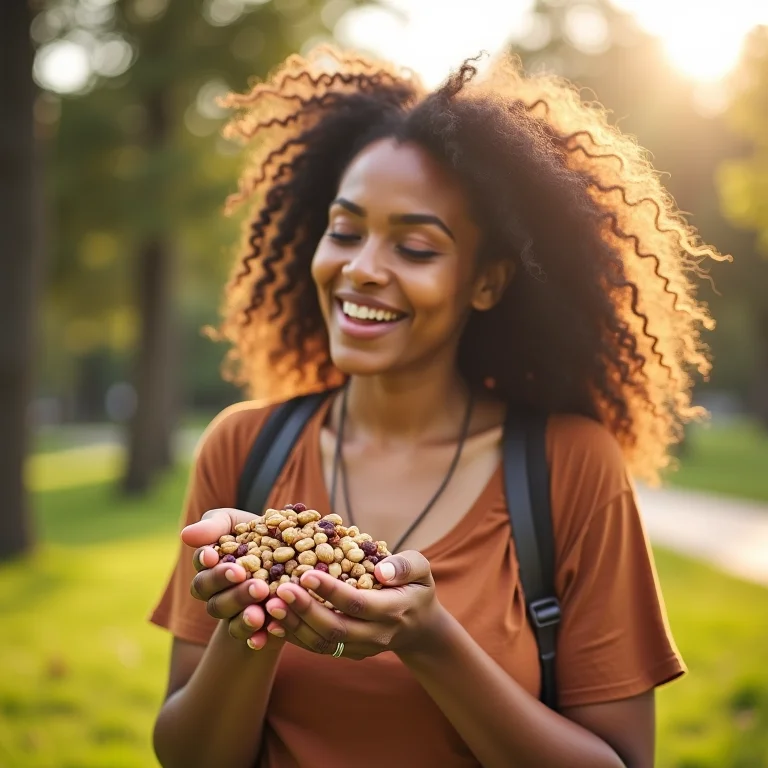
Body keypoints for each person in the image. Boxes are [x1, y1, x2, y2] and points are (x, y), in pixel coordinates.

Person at [150, 47, 725, 768]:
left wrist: (431, 642)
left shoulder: (568, 466)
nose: (361, 269)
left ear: (486, 283)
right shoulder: (244, 448)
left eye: (416, 248)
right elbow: (187, 756)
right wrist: (251, 620)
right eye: (346, 229)